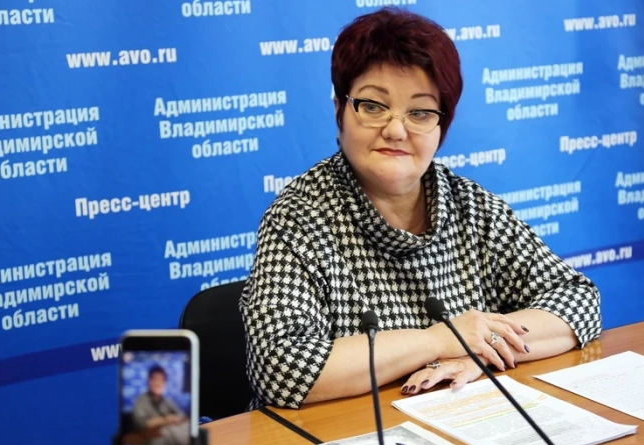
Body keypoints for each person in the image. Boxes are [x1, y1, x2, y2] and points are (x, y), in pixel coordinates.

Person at [238, 6, 602, 411]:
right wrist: (441, 339)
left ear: (441, 125)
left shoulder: (470, 205)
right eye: (372, 106)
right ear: (340, 109)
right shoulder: (299, 218)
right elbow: (280, 368)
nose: (395, 129)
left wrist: (483, 349)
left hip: (462, 419)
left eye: (420, 112)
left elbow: (578, 300)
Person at [129, 365, 189, 445]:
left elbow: (180, 415)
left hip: (169, 437)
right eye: (155, 379)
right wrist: (166, 420)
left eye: (161, 380)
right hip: (151, 441)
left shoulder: (166, 400)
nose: (158, 383)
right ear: (149, 381)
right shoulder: (141, 400)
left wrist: (175, 419)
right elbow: (143, 424)